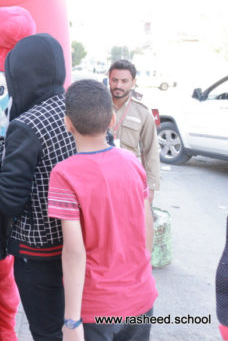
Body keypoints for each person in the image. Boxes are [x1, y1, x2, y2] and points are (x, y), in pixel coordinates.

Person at [48, 79, 157, 340]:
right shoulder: (132, 162)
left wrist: (71, 321)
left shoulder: (64, 174)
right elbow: (147, 226)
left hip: (97, 307)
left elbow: (74, 252)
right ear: (111, 120)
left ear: (67, 123)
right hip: (141, 297)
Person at [0, 33, 77, 340]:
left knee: (47, 331)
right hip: (82, 244)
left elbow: (10, 201)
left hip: (40, 250)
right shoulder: (80, 109)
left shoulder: (26, 124)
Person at [107, 59, 160, 203]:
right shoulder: (98, 106)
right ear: (109, 80)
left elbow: (151, 150)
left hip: (129, 178)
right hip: (102, 177)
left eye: (124, 81)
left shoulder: (143, 112)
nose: (118, 85)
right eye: (115, 80)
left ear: (133, 82)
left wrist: (151, 187)